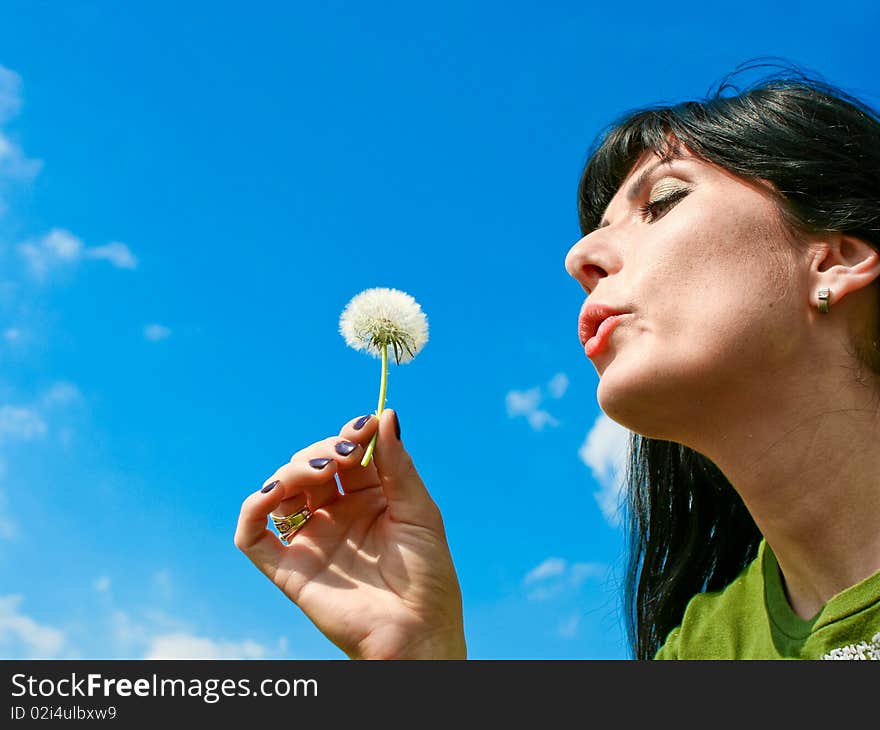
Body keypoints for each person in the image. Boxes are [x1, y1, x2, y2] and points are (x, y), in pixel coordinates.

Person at [235, 60, 880, 660]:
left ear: (834, 258)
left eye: (661, 203)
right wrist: (422, 655)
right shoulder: (700, 648)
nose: (580, 260)